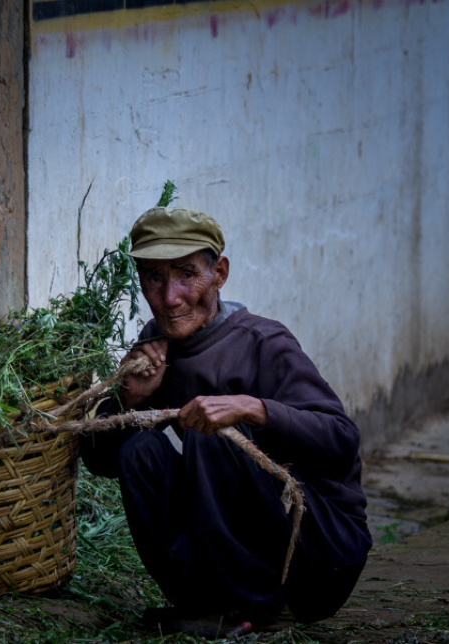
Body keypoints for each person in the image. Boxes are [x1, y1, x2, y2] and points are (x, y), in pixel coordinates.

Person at [80, 206, 371, 636]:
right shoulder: (155, 346)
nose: (170, 297)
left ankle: (261, 608)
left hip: (316, 556)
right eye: (153, 278)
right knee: (140, 451)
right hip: (236, 562)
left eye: (186, 275)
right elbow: (104, 463)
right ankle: (205, 605)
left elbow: (343, 439)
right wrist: (128, 399)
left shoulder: (262, 342)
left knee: (212, 438)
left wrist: (253, 408)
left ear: (220, 273)